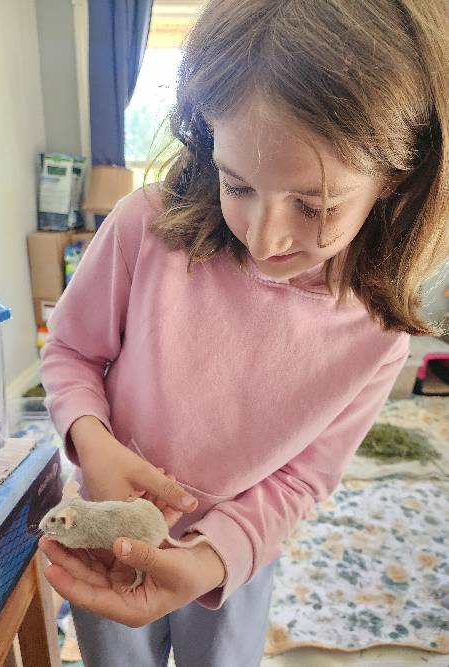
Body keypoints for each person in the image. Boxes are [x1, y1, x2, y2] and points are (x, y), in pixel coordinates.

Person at [38, 0, 448, 665]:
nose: (264, 236)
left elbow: (303, 479)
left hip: (235, 559)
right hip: (104, 526)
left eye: (313, 205)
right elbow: (69, 353)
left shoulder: (375, 338)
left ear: (395, 181)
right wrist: (93, 441)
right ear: (206, 139)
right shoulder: (144, 230)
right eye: (238, 184)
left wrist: (210, 559)